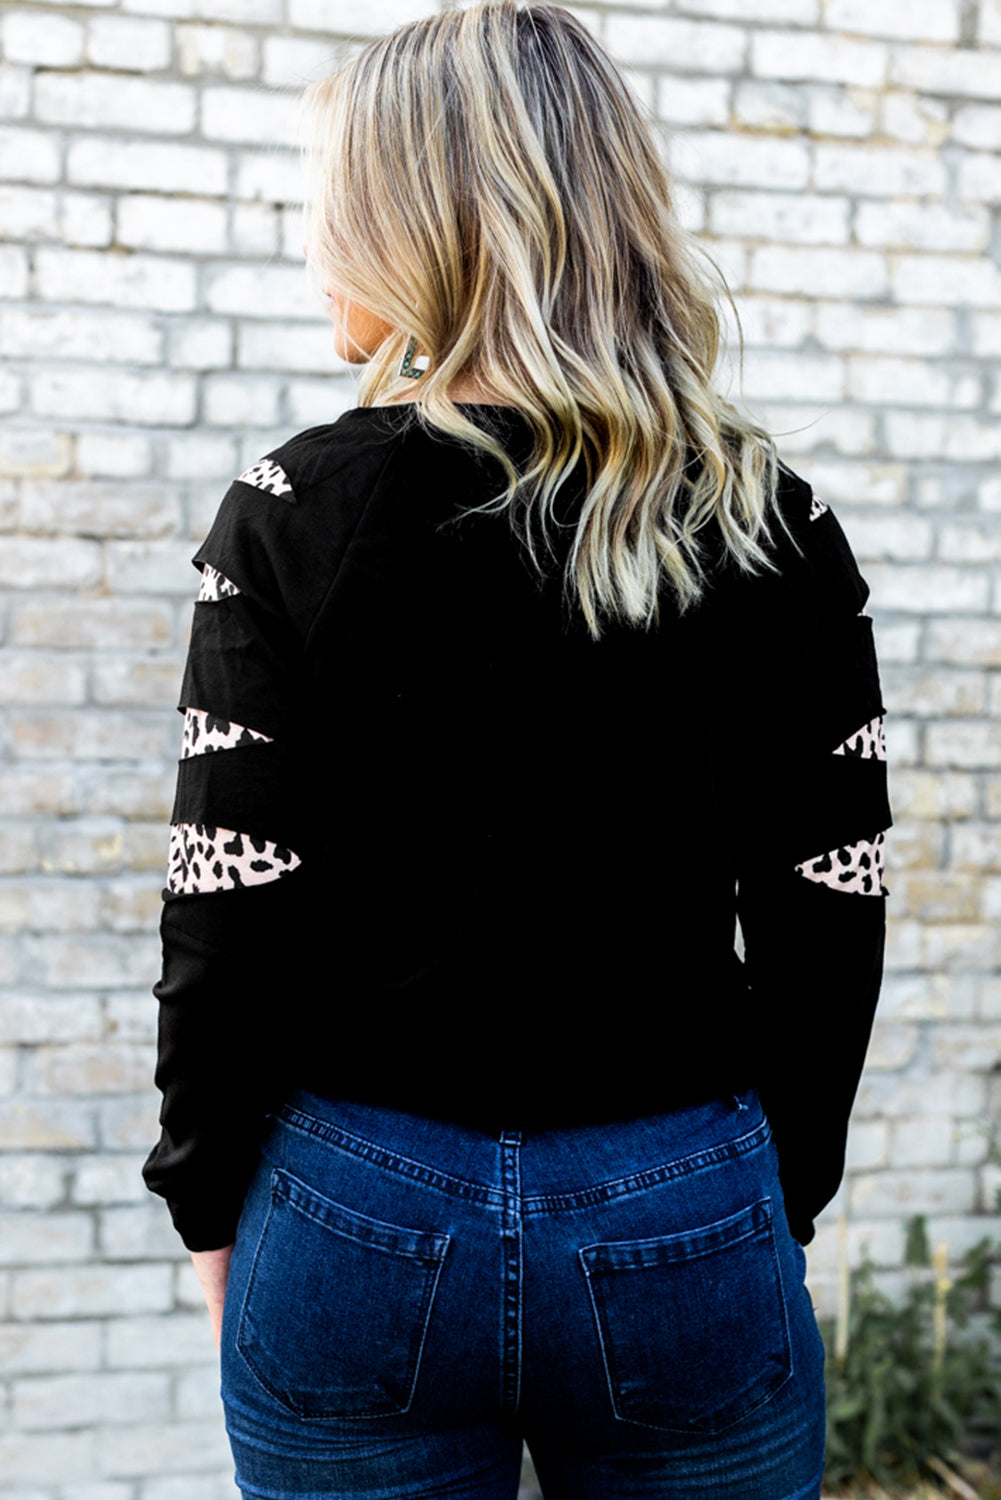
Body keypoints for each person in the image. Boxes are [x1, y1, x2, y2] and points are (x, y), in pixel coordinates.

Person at [142, 3, 892, 1496]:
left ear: (423, 221)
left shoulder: (289, 506)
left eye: (333, 207)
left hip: (352, 1210)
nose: (314, 250)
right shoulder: (771, 520)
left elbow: (228, 897)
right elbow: (832, 899)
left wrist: (208, 1198)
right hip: (679, 1193)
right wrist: (769, 1194)